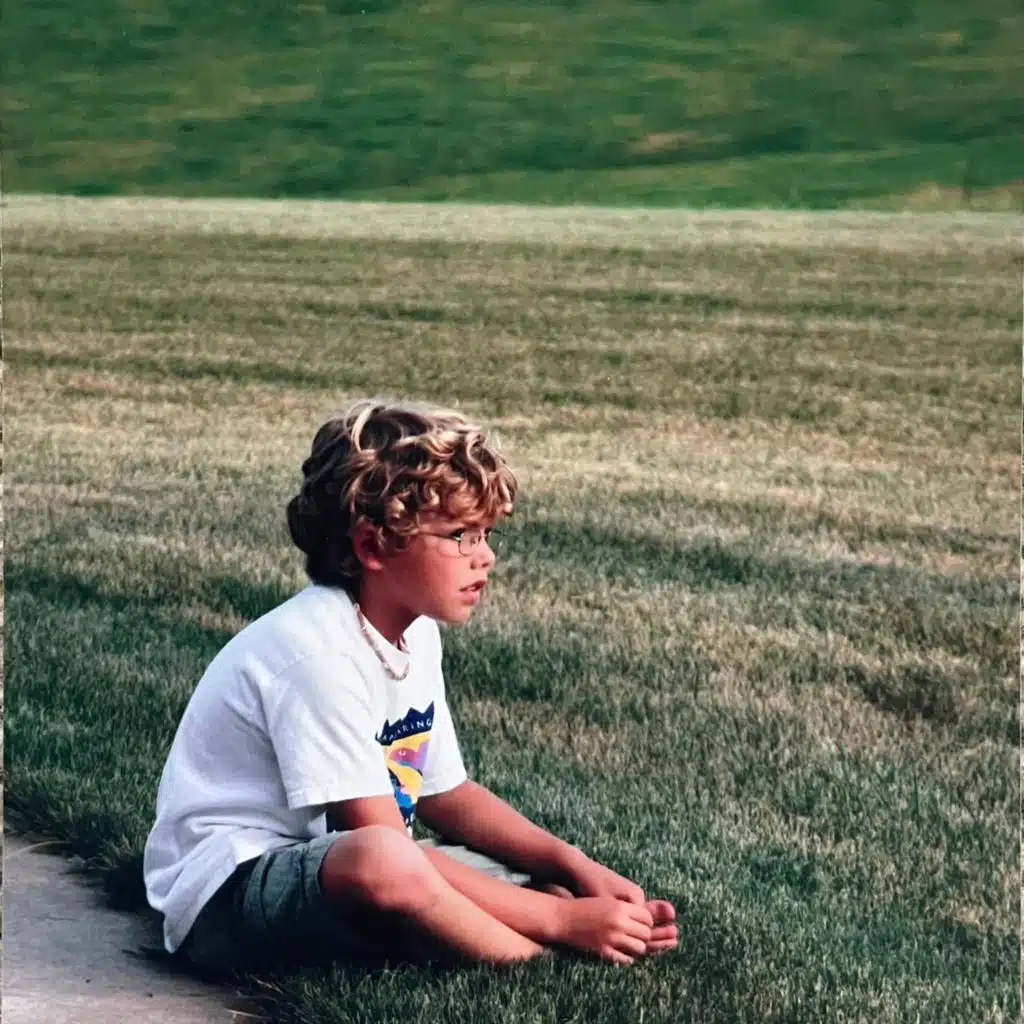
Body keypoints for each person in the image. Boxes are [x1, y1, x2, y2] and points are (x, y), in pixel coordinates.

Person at [143, 399, 677, 977]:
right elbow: (378, 841)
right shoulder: (314, 652)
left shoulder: (414, 633)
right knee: (391, 861)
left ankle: (533, 921)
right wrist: (560, 922)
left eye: (487, 533)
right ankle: (534, 962)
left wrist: (572, 866)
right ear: (372, 546)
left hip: (339, 864)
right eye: (460, 536)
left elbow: (446, 795)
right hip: (229, 897)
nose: (486, 556)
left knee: (539, 881)